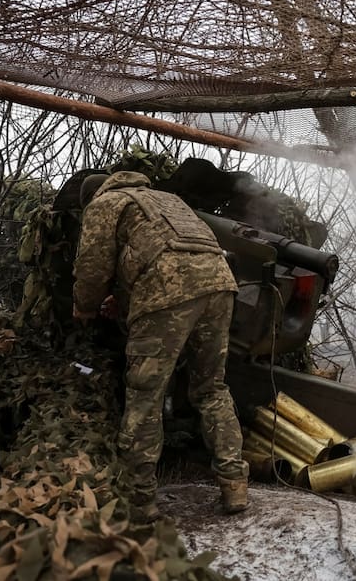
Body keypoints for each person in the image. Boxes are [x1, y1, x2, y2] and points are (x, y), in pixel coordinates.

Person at [72, 171, 249, 519]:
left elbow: (92, 267)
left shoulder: (105, 203)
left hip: (169, 291)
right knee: (211, 388)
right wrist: (124, 301)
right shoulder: (167, 200)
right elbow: (160, 252)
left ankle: (139, 498)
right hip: (220, 286)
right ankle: (234, 486)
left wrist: (85, 308)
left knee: (145, 393)